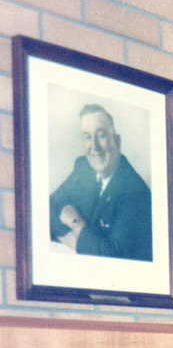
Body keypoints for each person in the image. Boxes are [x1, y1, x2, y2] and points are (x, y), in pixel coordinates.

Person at [49, 104, 152, 261]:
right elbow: (48, 209)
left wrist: (76, 222)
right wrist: (83, 243)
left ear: (116, 141)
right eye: (87, 137)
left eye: (101, 135)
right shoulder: (83, 168)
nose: (94, 147)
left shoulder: (136, 192)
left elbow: (110, 257)